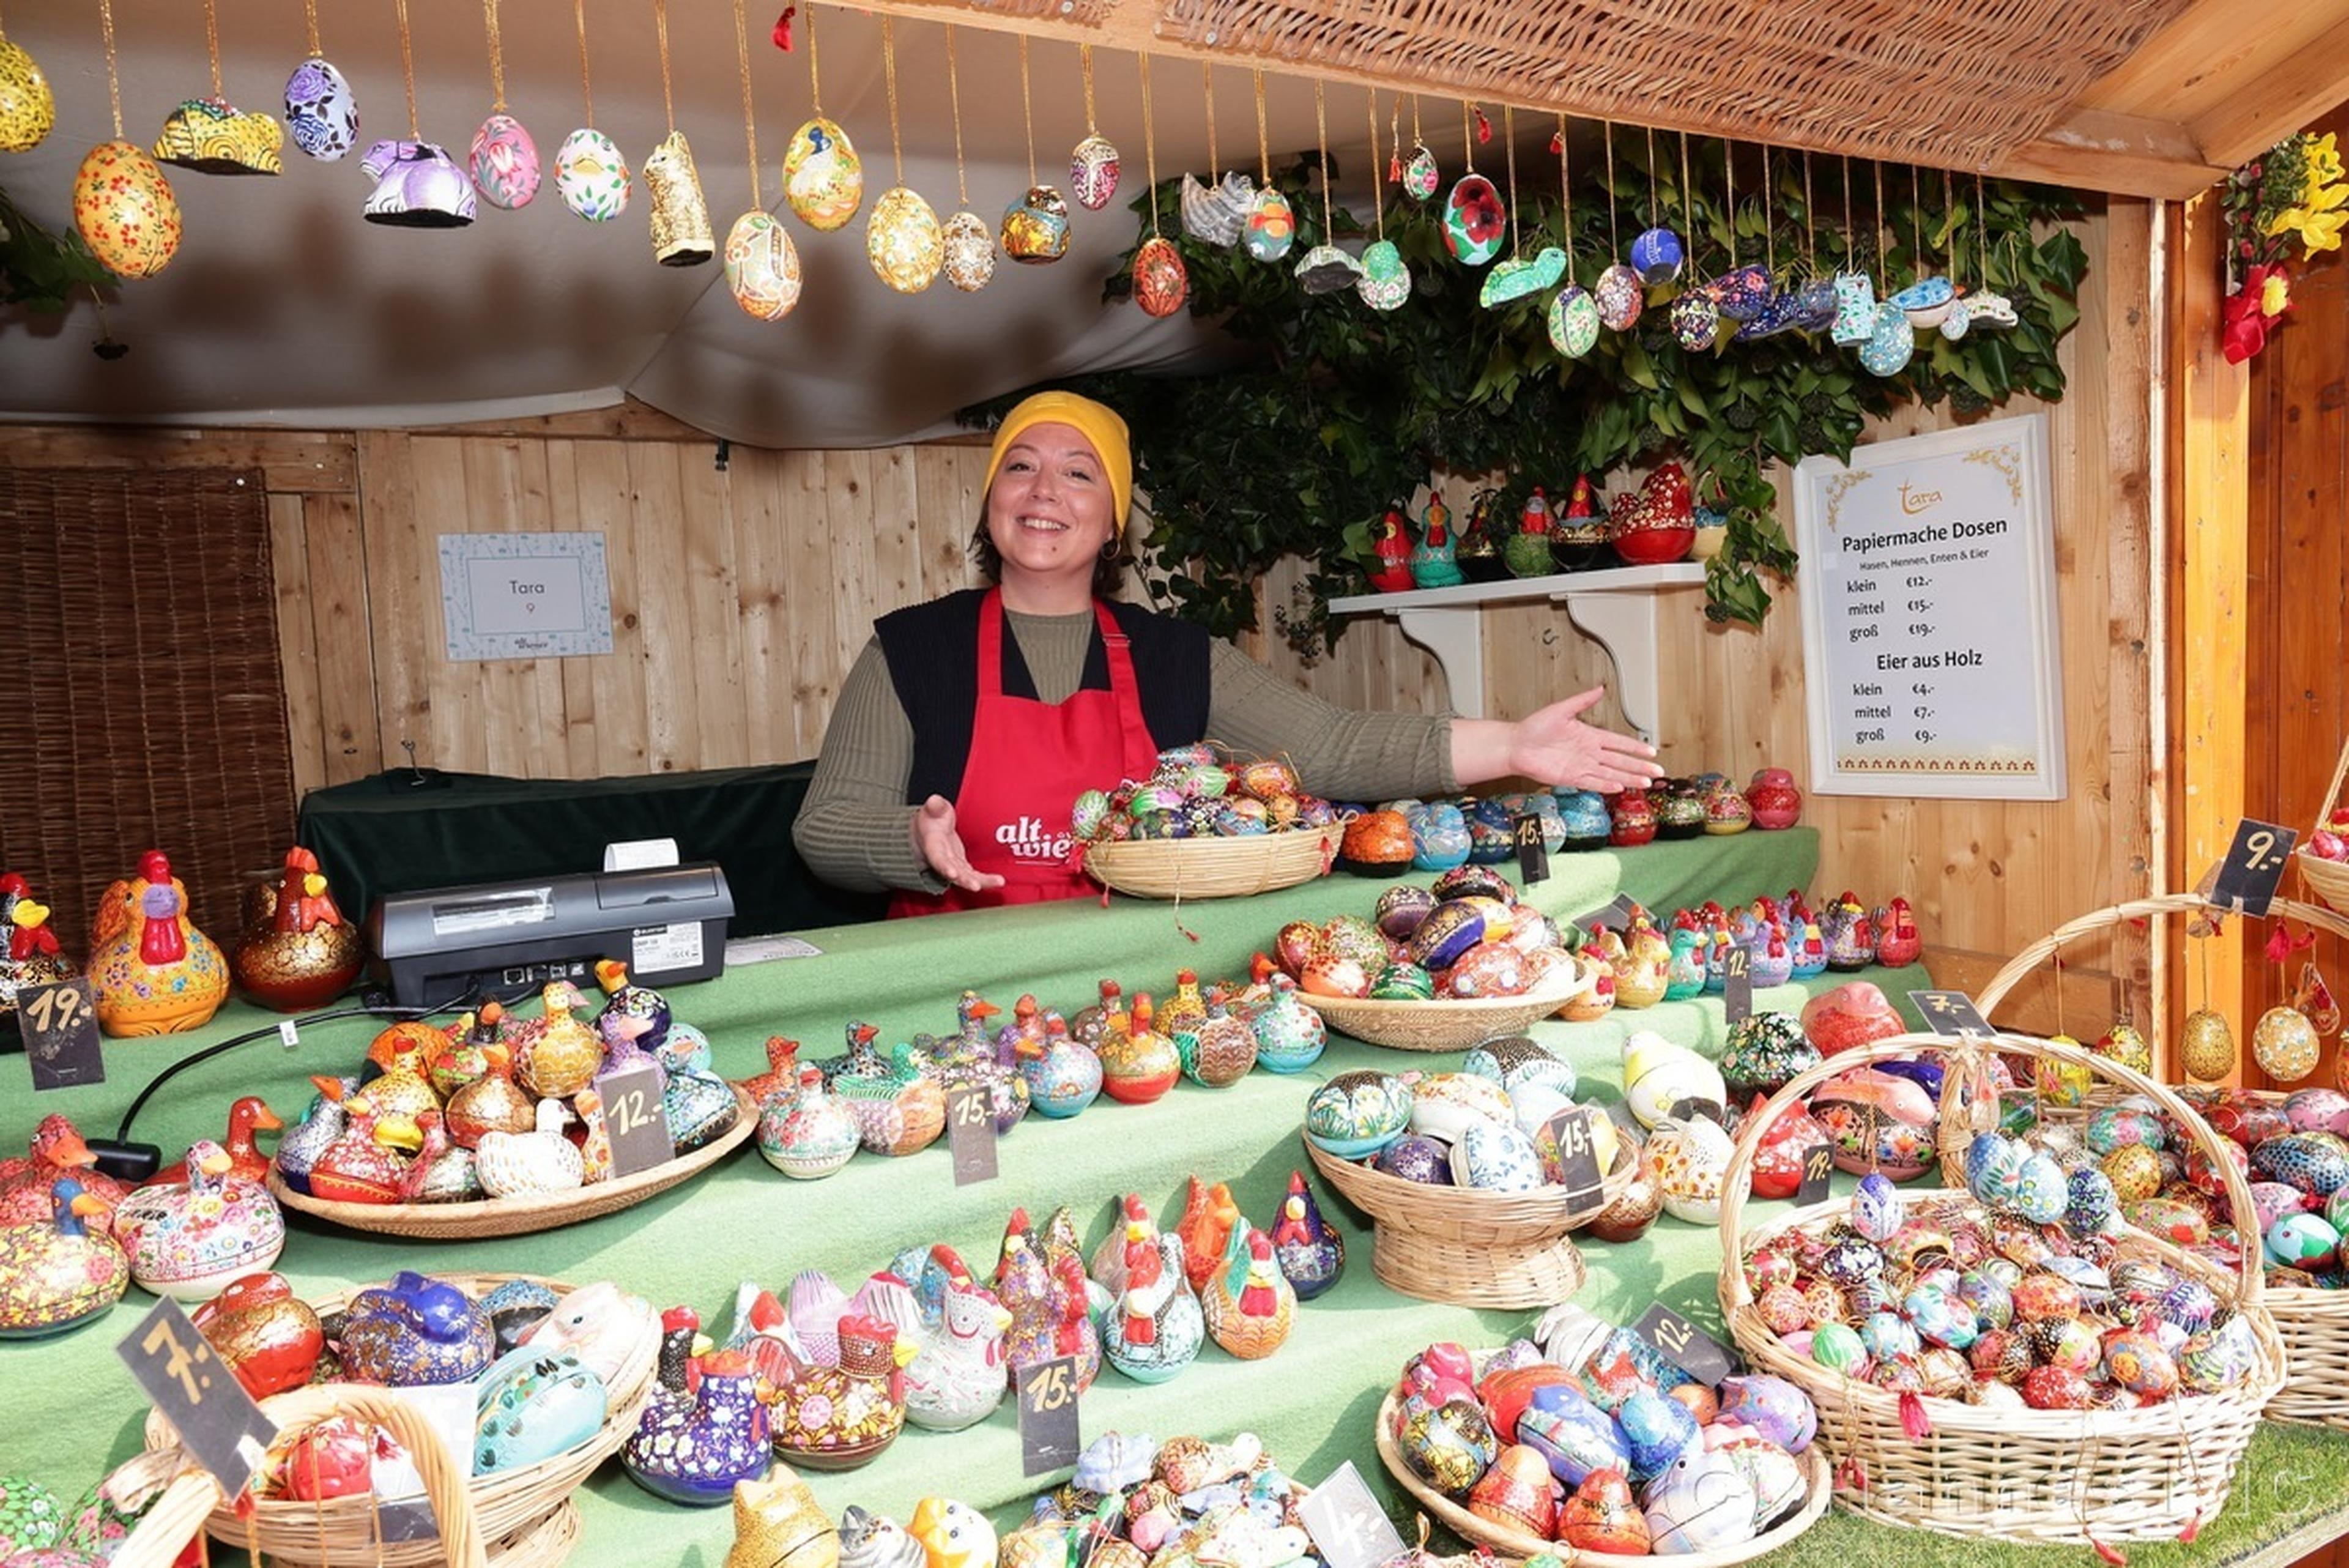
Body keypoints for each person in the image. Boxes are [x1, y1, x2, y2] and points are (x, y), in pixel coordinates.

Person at [792, 390, 1662, 916]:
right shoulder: (912, 652)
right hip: (961, 1003)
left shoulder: (1174, 658)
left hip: (1132, 995)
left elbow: (1329, 745)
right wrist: (911, 834)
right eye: (1019, 466)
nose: (1044, 491)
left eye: (1079, 472)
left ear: (1114, 519)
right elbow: (824, 829)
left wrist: (1512, 746)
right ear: (992, 501)